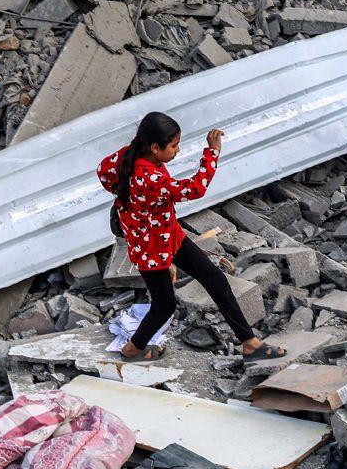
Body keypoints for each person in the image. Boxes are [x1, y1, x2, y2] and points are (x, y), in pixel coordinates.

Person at [97, 111, 287, 362]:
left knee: (215, 279)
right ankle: (132, 348)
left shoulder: (127, 155)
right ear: (155, 148)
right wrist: (212, 152)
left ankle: (249, 343)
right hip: (152, 248)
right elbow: (195, 188)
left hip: (166, 235)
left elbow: (103, 171)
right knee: (164, 305)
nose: (177, 150)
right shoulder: (148, 178)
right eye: (174, 146)